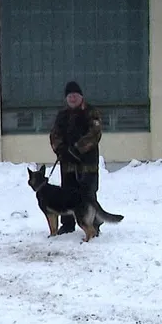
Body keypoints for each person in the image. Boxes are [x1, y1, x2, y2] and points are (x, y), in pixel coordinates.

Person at [48, 81, 104, 235]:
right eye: (69, 96)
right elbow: (54, 134)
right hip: (68, 164)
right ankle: (67, 224)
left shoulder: (91, 112)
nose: (72, 98)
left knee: (88, 194)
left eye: (75, 95)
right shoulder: (62, 115)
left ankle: (93, 224)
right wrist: (60, 148)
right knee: (67, 194)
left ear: (81, 96)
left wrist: (77, 148)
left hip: (87, 164)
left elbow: (95, 133)